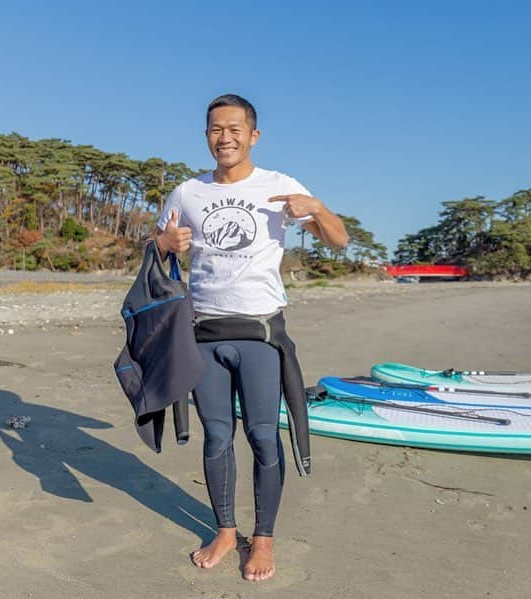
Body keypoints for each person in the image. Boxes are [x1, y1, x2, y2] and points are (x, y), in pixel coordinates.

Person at [154, 93, 348, 581]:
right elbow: (156, 253)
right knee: (217, 435)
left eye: (235, 129)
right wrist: (162, 243)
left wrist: (318, 209)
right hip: (203, 333)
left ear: (253, 136)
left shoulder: (279, 187)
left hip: (260, 334)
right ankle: (224, 530)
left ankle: (263, 539)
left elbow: (339, 240)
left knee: (263, 435)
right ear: (206, 137)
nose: (225, 138)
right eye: (217, 130)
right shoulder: (186, 193)